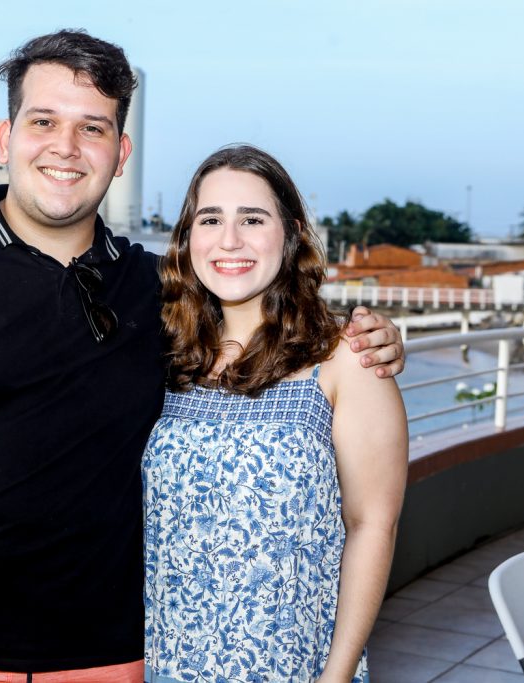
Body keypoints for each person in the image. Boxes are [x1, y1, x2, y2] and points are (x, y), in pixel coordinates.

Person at [0, 31, 404, 683]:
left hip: (109, 662)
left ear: (120, 153)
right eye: (44, 121)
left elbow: (256, 315)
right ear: (5, 138)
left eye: (93, 128)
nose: (66, 147)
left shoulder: (158, 292)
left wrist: (372, 332)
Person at [143, 145, 408, 683]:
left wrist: (335, 675)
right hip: (159, 664)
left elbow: (372, 525)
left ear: (289, 234)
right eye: (211, 218)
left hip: (292, 666)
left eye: (252, 219)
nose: (230, 240)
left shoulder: (345, 357)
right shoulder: (159, 351)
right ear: (188, 237)